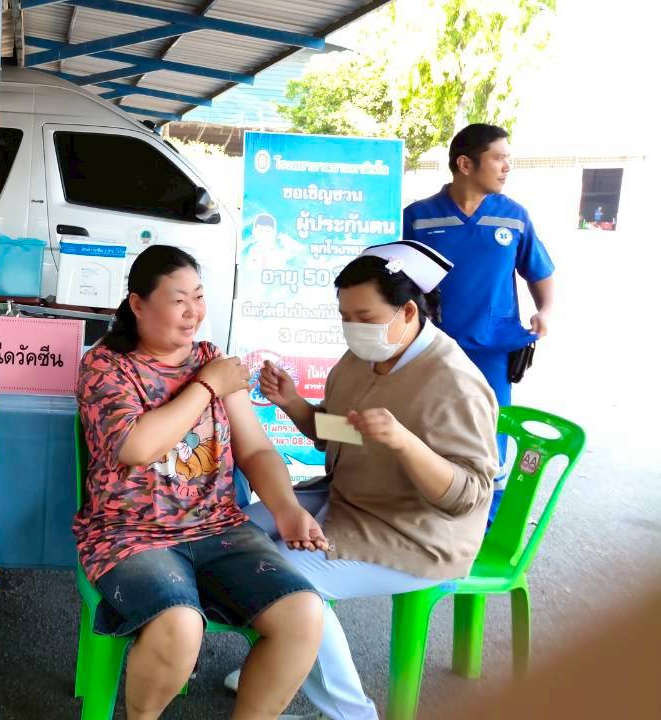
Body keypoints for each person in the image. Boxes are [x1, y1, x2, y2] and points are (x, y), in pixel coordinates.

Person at [223, 241, 499, 719]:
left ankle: (351, 712)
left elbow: (469, 495)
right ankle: (283, 661)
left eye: (365, 317)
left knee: (284, 582)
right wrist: (293, 403)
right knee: (230, 537)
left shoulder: (454, 381)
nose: (353, 328)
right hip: (348, 500)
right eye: (345, 316)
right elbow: (341, 433)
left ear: (408, 312)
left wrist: (405, 442)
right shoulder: (363, 357)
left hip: (413, 532)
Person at [76, 244, 326, 720]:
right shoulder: (106, 365)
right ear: (137, 304)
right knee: (180, 623)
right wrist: (207, 386)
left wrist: (287, 509)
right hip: (130, 534)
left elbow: (255, 450)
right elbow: (135, 447)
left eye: (199, 296)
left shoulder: (211, 360)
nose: (193, 312)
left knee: (303, 614)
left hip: (218, 527)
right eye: (178, 300)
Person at [403, 123, 554, 520]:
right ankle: (430, 516)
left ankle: (484, 521)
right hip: (431, 350)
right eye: (499, 158)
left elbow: (538, 271)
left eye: (508, 158)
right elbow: (396, 278)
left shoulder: (514, 217)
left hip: (493, 350)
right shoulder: (418, 217)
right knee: (431, 430)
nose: (507, 167)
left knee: (490, 438)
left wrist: (544, 310)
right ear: (465, 164)